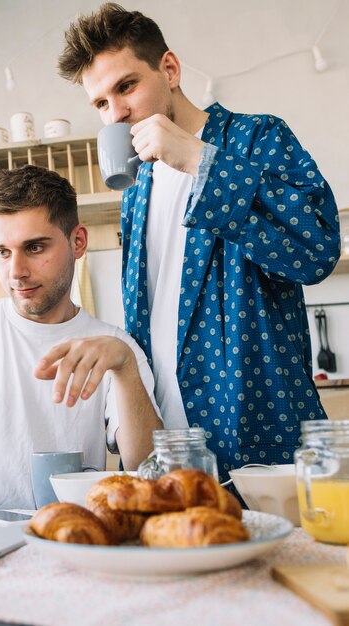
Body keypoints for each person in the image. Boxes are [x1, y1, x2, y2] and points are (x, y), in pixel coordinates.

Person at [57, 3, 340, 481]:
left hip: (257, 440)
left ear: (169, 69)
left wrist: (198, 160)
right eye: (101, 103)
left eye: (126, 86)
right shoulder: (137, 193)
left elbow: (317, 250)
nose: (117, 114)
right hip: (171, 452)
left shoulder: (256, 138)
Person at [0, 164, 161, 511]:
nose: (16, 272)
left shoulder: (115, 349)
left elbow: (148, 469)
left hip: (67, 534)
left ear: (78, 242)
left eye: (34, 248)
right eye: (2, 252)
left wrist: (125, 369)